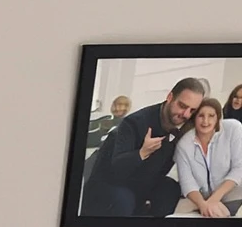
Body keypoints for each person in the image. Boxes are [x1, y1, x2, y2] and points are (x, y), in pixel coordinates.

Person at [82, 78, 203, 217]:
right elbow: (116, 170)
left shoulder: (183, 128)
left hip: (143, 183)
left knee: (170, 189)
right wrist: (142, 153)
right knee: (124, 200)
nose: (186, 114)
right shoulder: (133, 122)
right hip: (110, 183)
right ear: (170, 97)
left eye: (192, 110)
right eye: (182, 106)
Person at [172, 97, 242, 217]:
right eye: (201, 116)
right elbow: (187, 182)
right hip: (200, 199)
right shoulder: (184, 144)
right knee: (174, 216)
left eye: (211, 116)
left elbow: (239, 168)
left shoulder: (233, 129)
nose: (205, 121)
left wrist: (214, 200)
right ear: (194, 118)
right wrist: (203, 205)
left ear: (218, 117)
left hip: (234, 195)